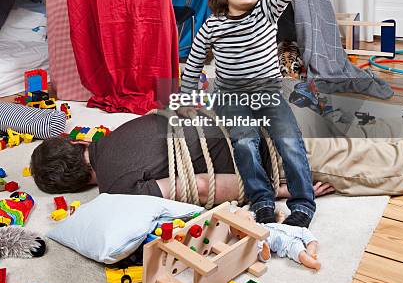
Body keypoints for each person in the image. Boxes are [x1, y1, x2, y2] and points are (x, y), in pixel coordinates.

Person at [180, 0, 321, 227]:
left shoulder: (268, 11)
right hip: (231, 97)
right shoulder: (212, 26)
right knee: (244, 142)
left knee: (289, 141)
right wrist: (185, 98)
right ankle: (262, 201)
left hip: (268, 93)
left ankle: (303, 205)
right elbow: (192, 64)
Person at [30, 112, 333, 202]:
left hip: (269, 156)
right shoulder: (119, 132)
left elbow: (201, 186)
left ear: (74, 186)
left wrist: (281, 191)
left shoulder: (114, 188)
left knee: (366, 168)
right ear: (76, 142)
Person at [231, 208, 320, 271]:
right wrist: (265, 250)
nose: (240, 236)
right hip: (287, 244)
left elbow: (274, 227)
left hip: (291, 229)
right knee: (299, 252)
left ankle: (311, 250)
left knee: (306, 233)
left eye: (239, 231)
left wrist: (281, 221)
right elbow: (263, 257)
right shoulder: (256, 240)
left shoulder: (261, 225)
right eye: (238, 236)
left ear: (252, 219)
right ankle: (312, 262)